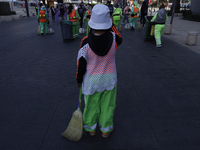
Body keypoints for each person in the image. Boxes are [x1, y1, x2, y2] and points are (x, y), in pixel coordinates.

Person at [76, 4, 122, 138]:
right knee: (108, 105)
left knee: (91, 104)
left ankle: (91, 129)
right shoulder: (114, 39)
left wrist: (79, 80)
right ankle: (106, 130)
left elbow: (81, 64)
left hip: (91, 80)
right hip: (110, 78)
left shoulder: (85, 42)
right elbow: (119, 35)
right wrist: (111, 23)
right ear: (108, 21)